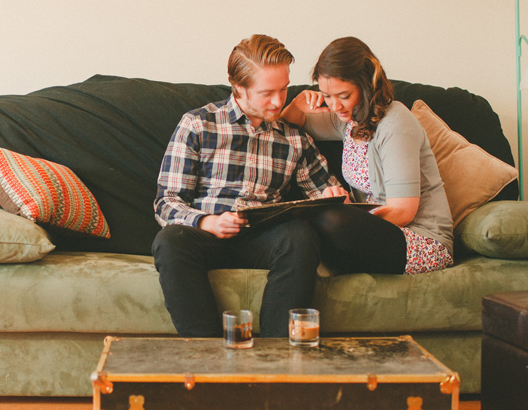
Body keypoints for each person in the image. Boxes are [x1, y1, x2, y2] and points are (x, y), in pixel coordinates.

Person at [153, 34, 346, 338]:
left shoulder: (294, 138)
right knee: (170, 240)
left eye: (284, 89)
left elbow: (324, 192)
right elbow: (167, 202)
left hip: (263, 238)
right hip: (205, 236)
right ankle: (207, 357)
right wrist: (207, 222)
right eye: (267, 92)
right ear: (239, 87)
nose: (278, 101)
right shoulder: (198, 125)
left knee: (300, 236)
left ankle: (277, 356)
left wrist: (333, 196)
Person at [280, 36, 453, 276]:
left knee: (330, 219)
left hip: (422, 240)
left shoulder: (395, 124)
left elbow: (403, 211)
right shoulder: (348, 121)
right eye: (327, 96)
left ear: (366, 84)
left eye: (344, 95)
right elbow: (290, 124)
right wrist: (298, 104)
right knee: (303, 225)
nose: (335, 106)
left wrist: (349, 214)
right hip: (379, 231)